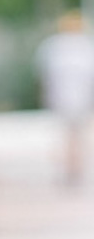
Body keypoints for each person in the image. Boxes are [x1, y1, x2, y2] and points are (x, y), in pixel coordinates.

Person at [37, 10, 94, 185]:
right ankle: (72, 166)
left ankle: (72, 166)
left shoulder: (55, 46)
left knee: (70, 134)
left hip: (69, 97)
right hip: (68, 96)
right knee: (73, 134)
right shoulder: (62, 46)